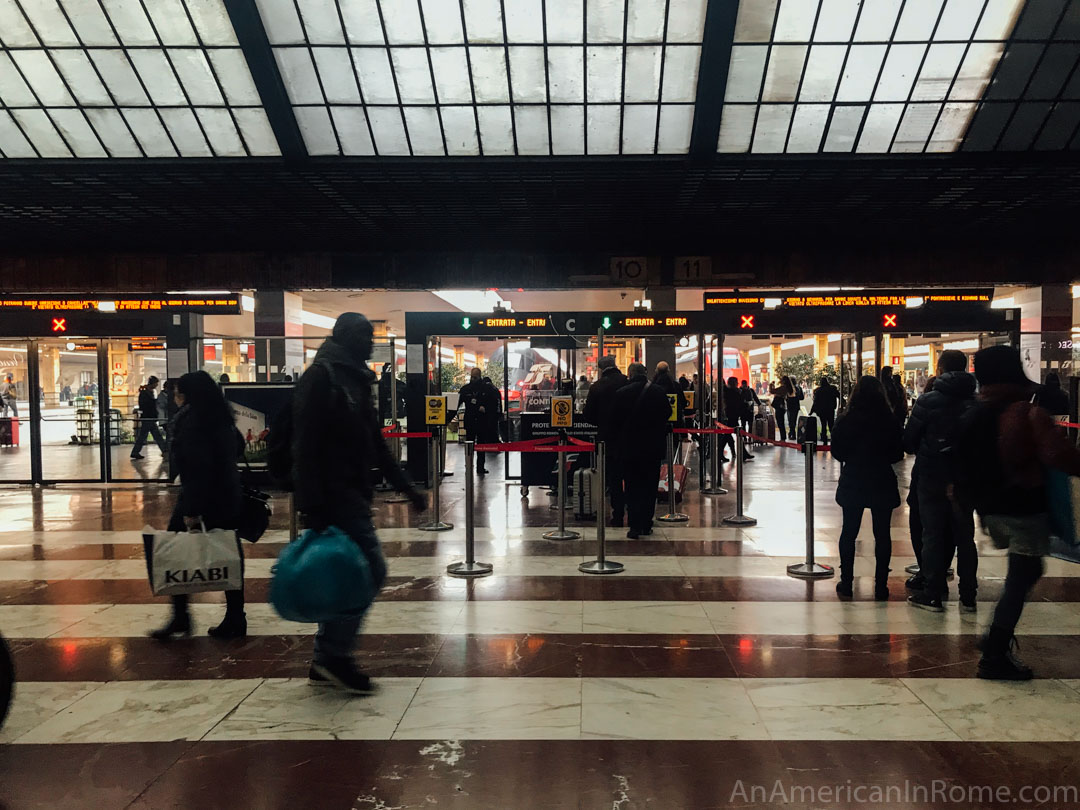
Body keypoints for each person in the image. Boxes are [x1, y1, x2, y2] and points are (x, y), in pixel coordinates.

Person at [293, 313, 426, 693]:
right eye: (366, 336)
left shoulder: (354, 379)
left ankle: (327, 656)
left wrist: (407, 487)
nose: (371, 342)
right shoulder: (322, 377)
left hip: (352, 492)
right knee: (369, 570)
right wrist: (311, 505)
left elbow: (375, 442)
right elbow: (303, 445)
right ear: (346, 337)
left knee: (346, 573)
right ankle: (333, 655)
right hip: (332, 496)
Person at [953, 346, 1080, 680]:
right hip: (1023, 507)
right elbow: (1058, 454)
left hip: (989, 508)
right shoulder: (1026, 412)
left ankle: (995, 641)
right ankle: (994, 649)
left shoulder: (972, 412)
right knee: (1023, 574)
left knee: (1025, 570)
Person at [149, 371, 246, 641]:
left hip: (201, 499)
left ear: (188, 396)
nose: (176, 399)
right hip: (227, 497)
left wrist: (192, 510)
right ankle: (236, 617)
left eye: (179, 394)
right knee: (229, 554)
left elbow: (196, 469)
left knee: (175, 553)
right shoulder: (222, 416)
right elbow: (238, 448)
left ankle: (181, 617)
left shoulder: (194, 421)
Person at [903, 351, 977, 612]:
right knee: (965, 536)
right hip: (965, 480)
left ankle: (933, 592)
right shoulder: (976, 402)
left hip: (932, 476)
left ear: (940, 368)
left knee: (932, 533)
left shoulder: (928, 401)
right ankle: (969, 593)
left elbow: (909, 442)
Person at [830, 376, 904, 601]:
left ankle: (847, 581)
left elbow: (837, 452)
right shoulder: (889, 420)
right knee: (882, 534)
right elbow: (897, 454)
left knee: (849, 531)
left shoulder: (846, 419)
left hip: (854, 477)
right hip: (881, 478)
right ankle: (881, 585)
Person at [610, 362, 672, 539]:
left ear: (629, 374)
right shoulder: (658, 392)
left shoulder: (621, 394)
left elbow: (615, 421)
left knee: (632, 486)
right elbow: (667, 413)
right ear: (645, 373)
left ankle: (634, 525)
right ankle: (646, 523)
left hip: (630, 448)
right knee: (650, 486)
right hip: (652, 448)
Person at [584, 356, 630, 526]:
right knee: (632, 476)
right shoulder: (627, 382)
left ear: (601, 369)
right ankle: (633, 514)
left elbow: (588, 416)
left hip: (608, 440)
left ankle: (617, 515)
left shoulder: (597, 387)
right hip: (630, 437)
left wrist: (603, 422)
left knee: (614, 478)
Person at [459, 367, 501, 475]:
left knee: (480, 445)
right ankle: (471, 466)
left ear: (479, 376)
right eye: (472, 377)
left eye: (475, 377)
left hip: (481, 421)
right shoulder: (466, 389)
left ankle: (479, 467)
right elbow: (457, 403)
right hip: (473, 421)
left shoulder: (486, 389)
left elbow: (493, 404)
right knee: (472, 444)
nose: (473, 379)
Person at [131, 376, 168, 461]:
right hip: (148, 417)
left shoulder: (149, 392)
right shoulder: (145, 393)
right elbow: (146, 405)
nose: (156, 385)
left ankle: (135, 451)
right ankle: (165, 450)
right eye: (156, 383)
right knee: (152, 435)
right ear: (153, 383)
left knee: (148, 435)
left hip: (149, 417)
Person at [721, 376, 754, 462]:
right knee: (730, 434)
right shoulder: (734, 392)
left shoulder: (729, 392)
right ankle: (721, 452)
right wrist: (746, 405)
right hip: (733, 415)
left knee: (731, 434)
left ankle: (743, 453)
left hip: (731, 415)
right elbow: (739, 404)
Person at [810, 376, 840, 444]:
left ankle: (824, 439)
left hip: (822, 411)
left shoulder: (818, 391)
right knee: (831, 424)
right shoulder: (832, 389)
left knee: (823, 425)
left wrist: (811, 411)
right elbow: (839, 396)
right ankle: (833, 438)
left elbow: (816, 401)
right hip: (830, 409)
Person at [769, 376, 796, 441]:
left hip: (780, 406)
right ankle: (783, 437)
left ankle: (783, 438)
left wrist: (771, 385)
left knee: (780, 422)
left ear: (784, 381)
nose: (780, 380)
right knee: (781, 422)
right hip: (782, 406)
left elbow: (772, 391)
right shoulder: (787, 388)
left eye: (781, 379)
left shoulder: (783, 387)